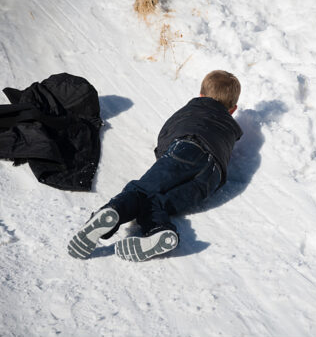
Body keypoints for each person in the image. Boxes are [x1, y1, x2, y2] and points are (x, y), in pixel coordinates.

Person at [68, 70, 243, 261]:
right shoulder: (231, 130)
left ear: (201, 95)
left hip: (186, 149)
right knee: (159, 201)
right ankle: (158, 231)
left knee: (140, 190)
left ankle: (114, 212)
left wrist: (165, 155)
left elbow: (167, 133)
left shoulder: (191, 111)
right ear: (233, 110)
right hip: (212, 178)